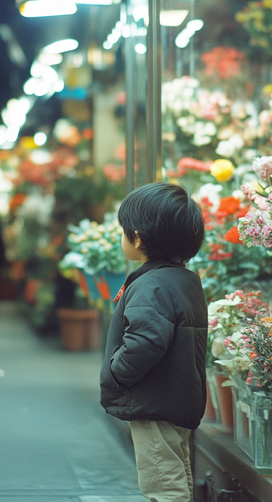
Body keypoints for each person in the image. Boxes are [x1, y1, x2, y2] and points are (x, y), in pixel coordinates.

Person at [100, 182, 207, 502]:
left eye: (123, 230)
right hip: (177, 398)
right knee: (177, 474)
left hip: (154, 401)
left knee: (162, 482)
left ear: (138, 237)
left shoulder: (153, 285)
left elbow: (146, 340)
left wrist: (116, 374)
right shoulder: (183, 279)